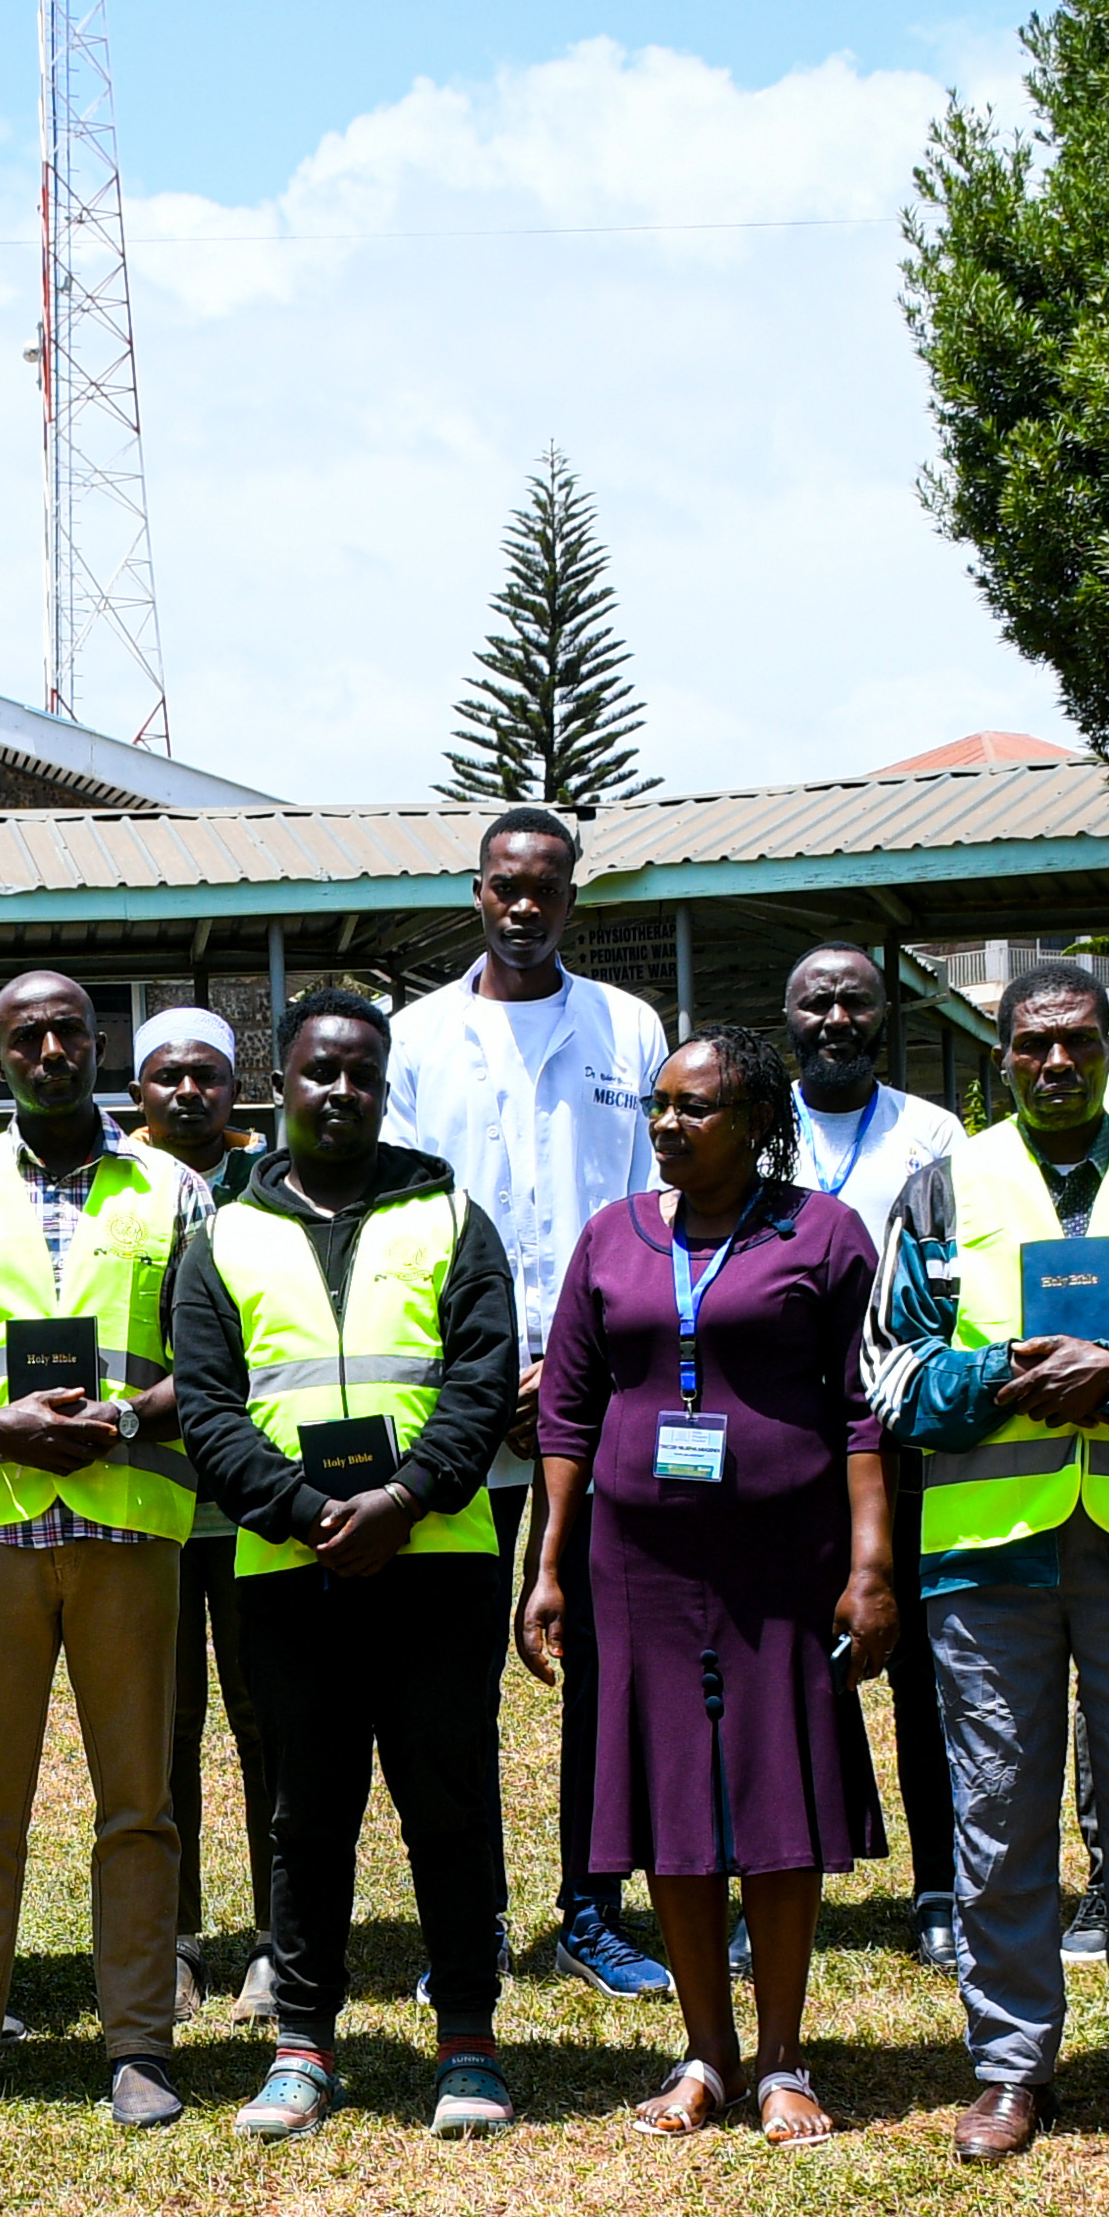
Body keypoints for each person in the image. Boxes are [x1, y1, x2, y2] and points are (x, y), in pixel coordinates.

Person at [868, 959, 1109, 2160]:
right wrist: (1003, 1376)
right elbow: (891, 1375)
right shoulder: (943, 1188)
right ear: (1002, 1057)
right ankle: (1009, 2068)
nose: (1056, 1062)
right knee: (998, 1817)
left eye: (1079, 1041)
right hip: (991, 1556)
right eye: (1033, 1043)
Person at [522, 1029, 899, 2141]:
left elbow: (864, 1411)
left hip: (782, 1559)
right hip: (637, 1565)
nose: (668, 1124)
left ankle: (782, 2058)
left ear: (757, 1122)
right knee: (670, 1796)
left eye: (696, 1107)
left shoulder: (821, 1233)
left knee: (776, 1796)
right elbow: (568, 1413)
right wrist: (548, 1564)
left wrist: (870, 1566)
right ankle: (707, 2054)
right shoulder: (613, 1236)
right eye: (660, 1104)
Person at [170, 990, 523, 2139]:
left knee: (448, 1804)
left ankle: (467, 2043)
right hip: (290, 1568)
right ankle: (302, 2046)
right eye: (319, 1070)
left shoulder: (452, 1213)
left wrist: (404, 1498)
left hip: (439, 1560)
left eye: (361, 1073)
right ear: (280, 1084)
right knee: (305, 1814)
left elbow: (483, 1380)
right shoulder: (224, 1233)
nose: (340, 1090)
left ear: (383, 1086)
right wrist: (312, 1510)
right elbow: (210, 1410)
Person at [0, 968, 203, 2128]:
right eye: (27, 1036)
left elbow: (218, 1354)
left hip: (130, 1523)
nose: (51, 1050)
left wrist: (129, 1417)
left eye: (69, 1030)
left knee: (140, 1800)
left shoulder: (173, 1188)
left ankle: (139, 2044)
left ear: (98, 1042)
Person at [384, 807, 680, 1998]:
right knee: (452, 1675)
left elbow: (654, 1209)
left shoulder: (630, 1027)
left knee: (606, 1667)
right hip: (459, 1403)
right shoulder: (416, 1037)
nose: (523, 905)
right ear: (477, 892)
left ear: (572, 898)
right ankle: (473, 1921)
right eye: (505, 884)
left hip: (599, 1398)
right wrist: (484, 1371)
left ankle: (592, 1911)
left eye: (545, 887)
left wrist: (570, 1368)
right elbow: (403, 1216)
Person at [783, 941, 978, 1972]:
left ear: (884, 1015)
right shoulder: (754, 1125)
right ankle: (778, 1874)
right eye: (816, 1003)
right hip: (781, 1436)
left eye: (855, 1001)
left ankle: (940, 1883)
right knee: (783, 1666)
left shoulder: (932, 1133)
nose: (836, 1019)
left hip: (902, 1438)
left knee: (920, 1669)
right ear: (788, 1019)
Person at [129, 1001, 280, 2013]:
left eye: (207, 1075)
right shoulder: (118, 1188)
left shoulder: (272, 1187)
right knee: (164, 1722)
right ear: (138, 1089)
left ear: (235, 1088)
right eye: (168, 1075)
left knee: (270, 1719)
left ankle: (278, 1935)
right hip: (156, 1496)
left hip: (258, 1497)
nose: (189, 1092)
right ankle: (175, 1937)